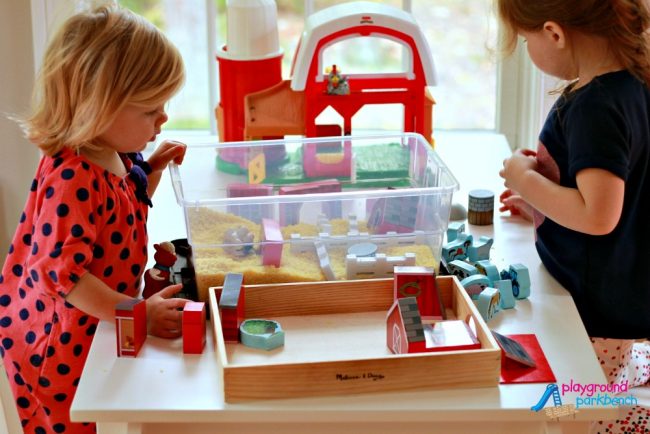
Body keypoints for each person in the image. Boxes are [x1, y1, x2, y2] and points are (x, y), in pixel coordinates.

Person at [0, 4, 189, 433]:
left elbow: (124, 209)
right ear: (97, 106)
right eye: (150, 110)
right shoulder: (72, 177)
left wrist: (153, 169)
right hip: (56, 342)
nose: (163, 118)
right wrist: (137, 313)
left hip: (99, 320)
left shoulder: (113, 153)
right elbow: (63, 277)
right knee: (75, 421)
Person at [496, 0, 650, 432]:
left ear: (554, 33)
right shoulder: (630, 84)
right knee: (593, 379)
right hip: (618, 287)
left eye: (526, 41)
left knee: (568, 407)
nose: (529, 50)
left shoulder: (596, 107)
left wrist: (524, 180)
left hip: (597, 311)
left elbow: (598, 215)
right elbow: (611, 192)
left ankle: (620, 418)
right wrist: (542, 207)